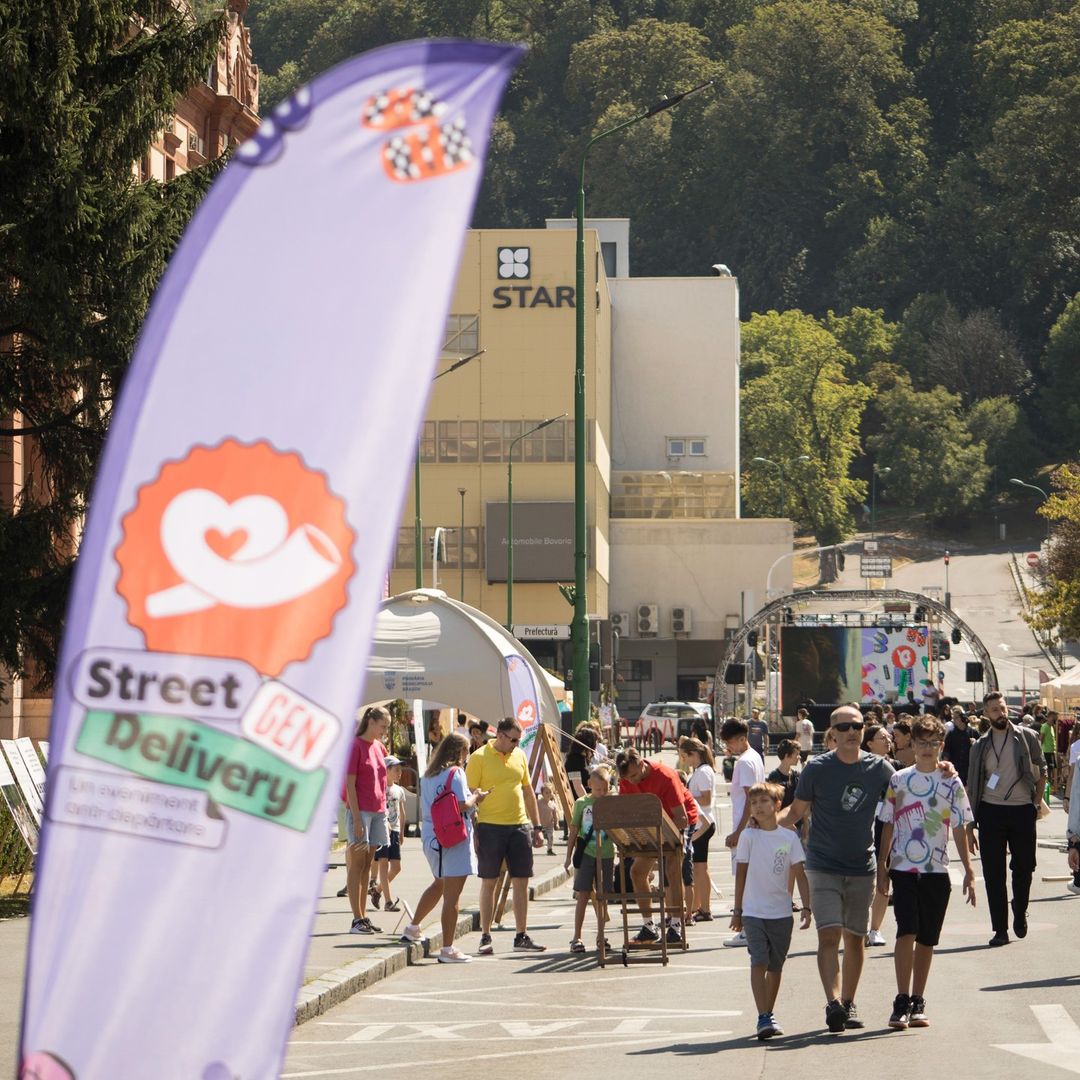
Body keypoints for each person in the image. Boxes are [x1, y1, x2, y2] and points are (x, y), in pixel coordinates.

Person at [778, 704, 895, 1033]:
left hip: (862, 865)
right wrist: (764, 824)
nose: (852, 732)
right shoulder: (817, 769)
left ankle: (847, 1002)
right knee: (829, 935)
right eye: (843, 728)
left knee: (856, 939)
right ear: (831, 734)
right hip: (823, 864)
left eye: (857, 726)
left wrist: (943, 770)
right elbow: (796, 811)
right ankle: (832, 1004)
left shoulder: (879, 769)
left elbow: (909, 789)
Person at [877, 715, 977, 1028]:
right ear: (912, 744)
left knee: (927, 939)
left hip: (937, 869)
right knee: (906, 930)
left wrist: (970, 872)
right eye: (921, 742)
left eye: (934, 743)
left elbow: (960, 827)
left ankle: (918, 999)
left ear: (941, 745)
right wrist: (883, 866)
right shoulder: (899, 779)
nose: (927, 748)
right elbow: (888, 823)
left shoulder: (951, 781)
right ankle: (901, 999)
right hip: (904, 867)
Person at [730, 782, 811, 1040]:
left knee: (776, 965)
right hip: (754, 912)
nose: (759, 807)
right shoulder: (748, 836)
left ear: (777, 805)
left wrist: (806, 906)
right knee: (759, 961)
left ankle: (769, 1013)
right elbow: (740, 874)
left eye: (765, 801)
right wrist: (738, 910)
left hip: (781, 913)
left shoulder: (789, 837)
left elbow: (799, 873)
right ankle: (762, 1016)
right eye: (754, 803)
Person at [967, 690, 1047, 946]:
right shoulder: (980, 746)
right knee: (993, 872)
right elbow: (972, 785)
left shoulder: (1027, 736)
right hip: (990, 812)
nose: (1000, 713)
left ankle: (1019, 908)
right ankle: (999, 929)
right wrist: (970, 824)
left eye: (1002, 708)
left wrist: (1035, 803)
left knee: (1024, 866)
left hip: (1022, 809)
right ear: (986, 714)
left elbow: (1042, 768)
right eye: (994, 710)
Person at [400, 732, 487, 962]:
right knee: (452, 894)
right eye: (466, 751)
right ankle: (448, 948)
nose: (467, 756)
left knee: (439, 884)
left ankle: (413, 927)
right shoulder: (456, 772)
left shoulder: (428, 775)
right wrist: (477, 797)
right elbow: (462, 805)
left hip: (432, 834)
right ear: (459, 752)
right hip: (454, 835)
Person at [466, 717, 547, 954]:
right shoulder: (479, 757)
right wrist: (475, 816)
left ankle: (521, 935)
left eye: (518, 740)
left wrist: (538, 826)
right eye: (513, 739)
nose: (516, 744)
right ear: (499, 735)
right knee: (489, 881)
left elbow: (528, 790)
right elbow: (469, 792)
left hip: (519, 825)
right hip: (490, 826)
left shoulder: (519, 755)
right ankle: (485, 936)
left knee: (521, 881)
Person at [616, 745, 699, 944]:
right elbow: (626, 809)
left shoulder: (665, 777)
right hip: (650, 822)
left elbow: (681, 818)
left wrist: (662, 838)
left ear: (641, 763)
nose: (633, 781)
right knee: (637, 872)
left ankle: (676, 926)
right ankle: (649, 927)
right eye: (628, 779)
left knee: (672, 870)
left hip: (677, 819)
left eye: (635, 776)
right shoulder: (626, 779)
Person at [343, 706, 390, 934]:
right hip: (360, 812)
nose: (385, 731)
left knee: (367, 866)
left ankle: (364, 917)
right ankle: (356, 919)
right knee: (357, 864)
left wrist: (385, 812)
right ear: (371, 721)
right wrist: (356, 817)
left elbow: (383, 781)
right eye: (383, 726)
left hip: (378, 811)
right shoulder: (355, 746)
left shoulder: (379, 747)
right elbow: (349, 783)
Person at [722, 717, 766, 947]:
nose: (728, 748)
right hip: (753, 827)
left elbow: (752, 799)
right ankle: (752, 930)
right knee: (750, 880)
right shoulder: (754, 757)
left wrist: (738, 832)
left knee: (745, 881)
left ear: (742, 738)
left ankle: (749, 931)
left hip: (747, 829)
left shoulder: (745, 762)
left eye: (730, 743)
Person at [564, 764, 616, 952]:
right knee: (583, 895)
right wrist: (568, 856)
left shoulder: (611, 802)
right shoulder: (582, 803)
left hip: (607, 853)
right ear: (589, 785)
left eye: (605, 789)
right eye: (598, 789)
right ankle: (576, 937)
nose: (602, 793)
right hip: (587, 853)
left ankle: (601, 935)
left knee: (603, 897)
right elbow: (574, 830)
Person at [860, 724, 894, 947]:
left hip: (886, 829)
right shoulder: (859, 767)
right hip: (862, 830)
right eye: (882, 737)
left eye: (888, 736)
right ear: (870, 743)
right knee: (863, 883)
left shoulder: (895, 768)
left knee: (884, 879)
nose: (888, 739)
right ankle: (860, 928)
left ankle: (875, 929)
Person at [680, 736, 718, 921]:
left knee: (700, 868)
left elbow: (706, 799)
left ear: (693, 754)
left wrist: (686, 797)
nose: (683, 761)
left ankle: (705, 908)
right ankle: (699, 906)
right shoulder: (701, 770)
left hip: (703, 823)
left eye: (684, 757)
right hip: (701, 823)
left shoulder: (703, 772)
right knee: (699, 868)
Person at [370, 757, 407, 912]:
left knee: (396, 867)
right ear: (386, 770)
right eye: (396, 769)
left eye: (400, 769)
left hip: (395, 829)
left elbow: (402, 813)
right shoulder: (379, 788)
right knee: (383, 864)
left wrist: (402, 831)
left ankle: (377, 890)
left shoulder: (399, 790)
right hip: (382, 829)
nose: (399, 773)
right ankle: (388, 901)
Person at [942, 705, 978, 786]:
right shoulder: (951, 734)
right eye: (953, 718)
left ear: (962, 717)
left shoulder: (973, 732)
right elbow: (946, 752)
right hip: (955, 768)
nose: (953, 720)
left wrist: (976, 744)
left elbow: (981, 750)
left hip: (969, 769)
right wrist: (946, 767)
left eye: (956, 718)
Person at [538, 781, 559, 855]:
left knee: (551, 837)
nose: (549, 794)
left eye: (550, 792)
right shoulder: (539, 803)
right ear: (542, 793)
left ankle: (549, 849)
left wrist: (556, 823)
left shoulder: (553, 804)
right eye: (546, 792)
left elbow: (555, 815)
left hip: (550, 824)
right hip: (540, 824)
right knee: (540, 837)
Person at [1041, 711, 1058, 794]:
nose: (1056, 718)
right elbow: (1041, 739)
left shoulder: (1051, 726)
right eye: (1055, 716)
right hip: (1046, 752)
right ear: (1050, 716)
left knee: (1052, 769)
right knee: (1049, 770)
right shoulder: (1045, 726)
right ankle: (1047, 787)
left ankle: (1051, 787)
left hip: (1051, 751)